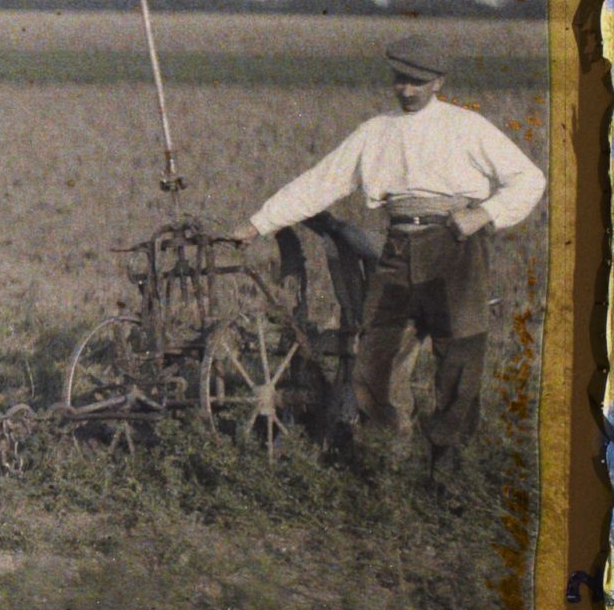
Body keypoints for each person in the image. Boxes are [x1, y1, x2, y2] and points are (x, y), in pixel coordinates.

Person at [228, 35, 545, 471]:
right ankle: (389, 462)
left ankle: (445, 469)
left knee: (459, 358)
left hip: (456, 248)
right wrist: (259, 223)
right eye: (400, 80)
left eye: (417, 82)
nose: (407, 90)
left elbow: (528, 178)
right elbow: (321, 182)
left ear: (439, 82)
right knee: (378, 356)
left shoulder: (468, 127)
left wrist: (484, 215)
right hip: (398, 250)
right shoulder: (375, 132)